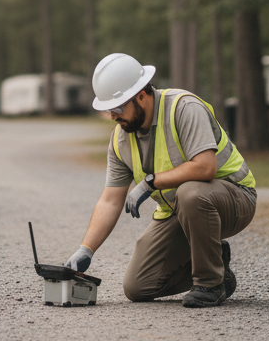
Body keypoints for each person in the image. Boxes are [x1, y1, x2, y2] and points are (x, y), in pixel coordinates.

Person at [62, 53, 257, 308]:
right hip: (179, 211)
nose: (113, 116)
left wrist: (150, 182)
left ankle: (211, 283)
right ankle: (218, 262)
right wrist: (86, 249)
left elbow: (206, 167)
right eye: (109, 109)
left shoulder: (184, 108)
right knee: (138, 287)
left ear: (142, 95)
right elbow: (110, 200)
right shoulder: (121, 140)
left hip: (233, 199)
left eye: (118, 108)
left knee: (190, 194)